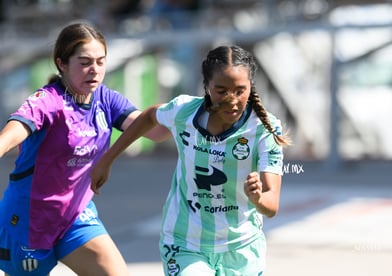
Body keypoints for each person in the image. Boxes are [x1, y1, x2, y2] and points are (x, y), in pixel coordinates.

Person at [91, 45, 291, 276]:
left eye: (240, 90)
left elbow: (271, 206)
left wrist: (256, 197)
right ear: (206, 87)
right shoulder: (183, 111)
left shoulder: (265, 129)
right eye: (221, 90)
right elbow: (149, 117)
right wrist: (107, 159)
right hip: (185, 244)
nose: (232, 100)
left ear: (250, 87)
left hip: (242, 248)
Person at [0, 22, 169, 275]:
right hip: (29, 220)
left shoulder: (107, 100)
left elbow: (156, 132)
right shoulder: (48, 100)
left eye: (101, 61)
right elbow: (13, 132)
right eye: (85, 62)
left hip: (76, 218)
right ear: (62, 63)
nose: (95, 70)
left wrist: (182, 113)